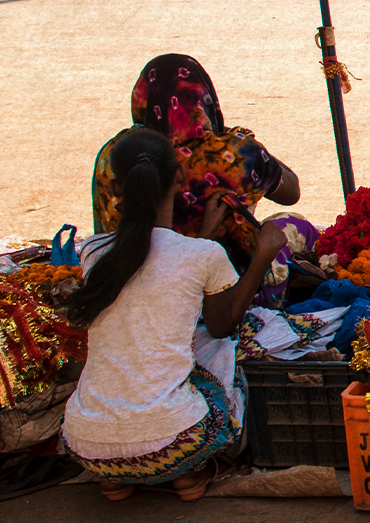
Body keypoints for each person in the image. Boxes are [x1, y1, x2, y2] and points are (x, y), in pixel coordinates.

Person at [62, 128, 289, 501]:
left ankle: (116, 478)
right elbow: (221, 326)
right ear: (181, 179)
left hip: (86, 445)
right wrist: (263, 256)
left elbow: (151, 261)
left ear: (117, 189)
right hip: (175, 441)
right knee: (224, 363)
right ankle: (190, 472)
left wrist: (202, 238)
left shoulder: (92, 251)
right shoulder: (202, 256)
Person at [92, 55, 301, 287]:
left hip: (123, 285)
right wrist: (240, 138)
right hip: (231, 293)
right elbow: (291, 192)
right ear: (204, 99)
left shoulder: (115, 154)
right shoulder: (233, 153)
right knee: (295, 224)